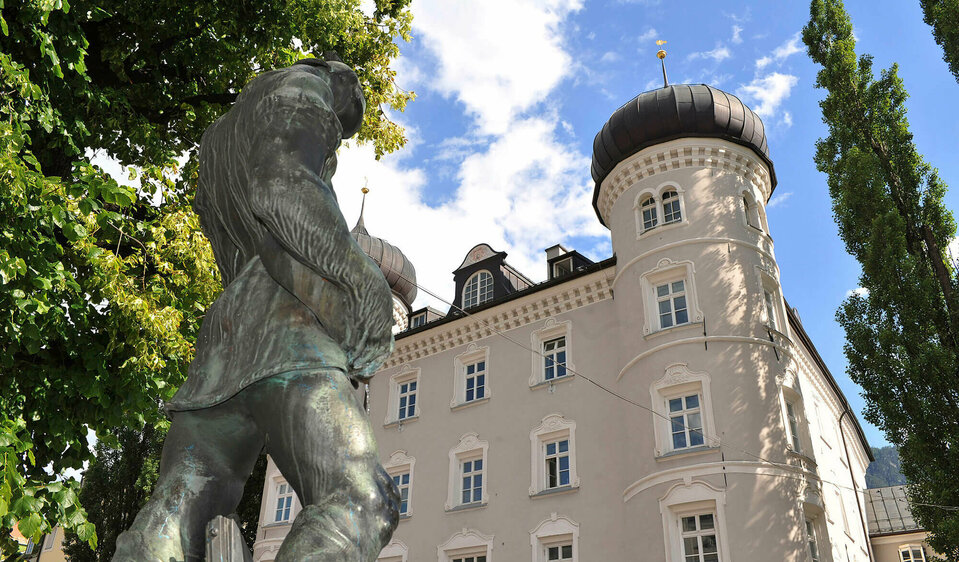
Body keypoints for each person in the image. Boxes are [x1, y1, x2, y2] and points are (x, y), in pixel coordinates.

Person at [113, 57, 399, 561]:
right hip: (289, 335)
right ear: (341, 82)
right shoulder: (302, 88)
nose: (335, 136)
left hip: (223, 347)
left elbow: (231, 238)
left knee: (176, 508)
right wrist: (363, 288)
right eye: (341, 123)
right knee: (360, 500)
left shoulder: (224, 132)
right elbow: (283, 184)